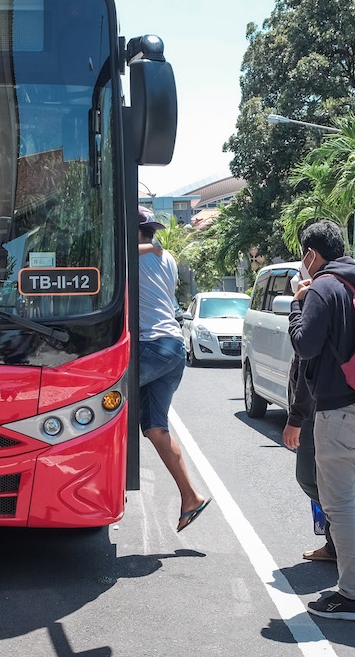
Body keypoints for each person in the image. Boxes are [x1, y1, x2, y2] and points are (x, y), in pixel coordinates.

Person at [288, 220, 355, 621]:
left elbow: (305, 345)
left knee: (340, 505)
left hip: (339, 410)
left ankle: (351, 596)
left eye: (304, 254)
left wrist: (298, 302)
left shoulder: (323, 287)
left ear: (312, 254)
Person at [137, 206, 211, 533]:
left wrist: (146, 246)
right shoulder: (163, 256)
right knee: (155, 428)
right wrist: (151, 246)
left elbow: (119, 249)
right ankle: (191, 496)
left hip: (153, 345)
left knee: (101, 393)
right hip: (173, 348)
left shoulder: (139, 254)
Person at [283, 351, 337, 564]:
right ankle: (341, 542)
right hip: (353, 403)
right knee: (352, 484)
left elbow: (308, 362)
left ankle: (347, 537)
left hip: (318, 406)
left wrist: (296, 417)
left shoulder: (314, 316)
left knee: (309, 477)